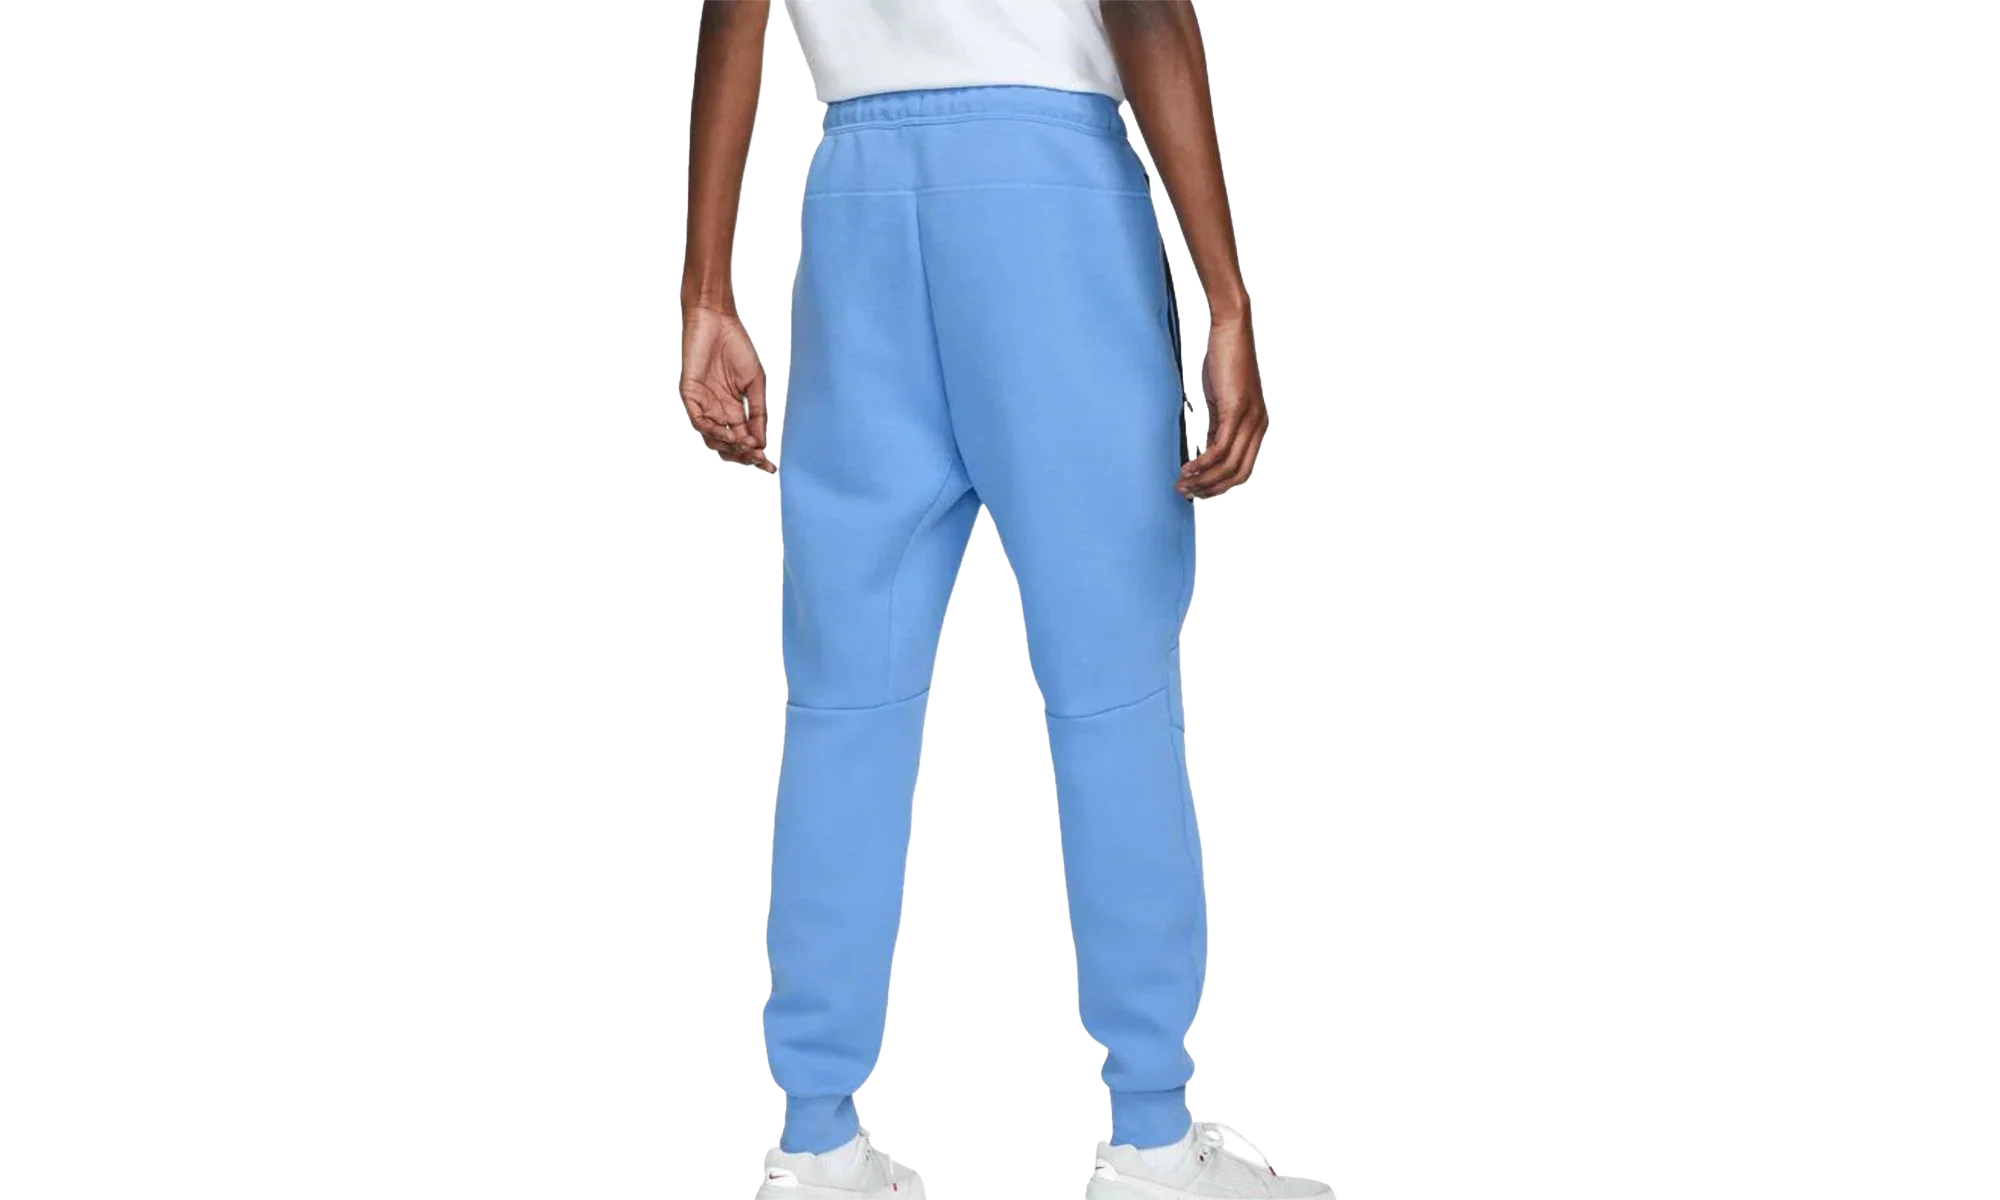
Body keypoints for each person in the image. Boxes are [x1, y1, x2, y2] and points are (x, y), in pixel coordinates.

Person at [680, 2, 1327, 1197]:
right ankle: (1149, 1139)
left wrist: (704, 290)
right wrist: (1227, 300)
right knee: (1110, 691)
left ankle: (813, 1143)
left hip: (857, 201)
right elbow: (1144, 12)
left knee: (843, 701)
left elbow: (733, 11)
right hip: (1048, 197)